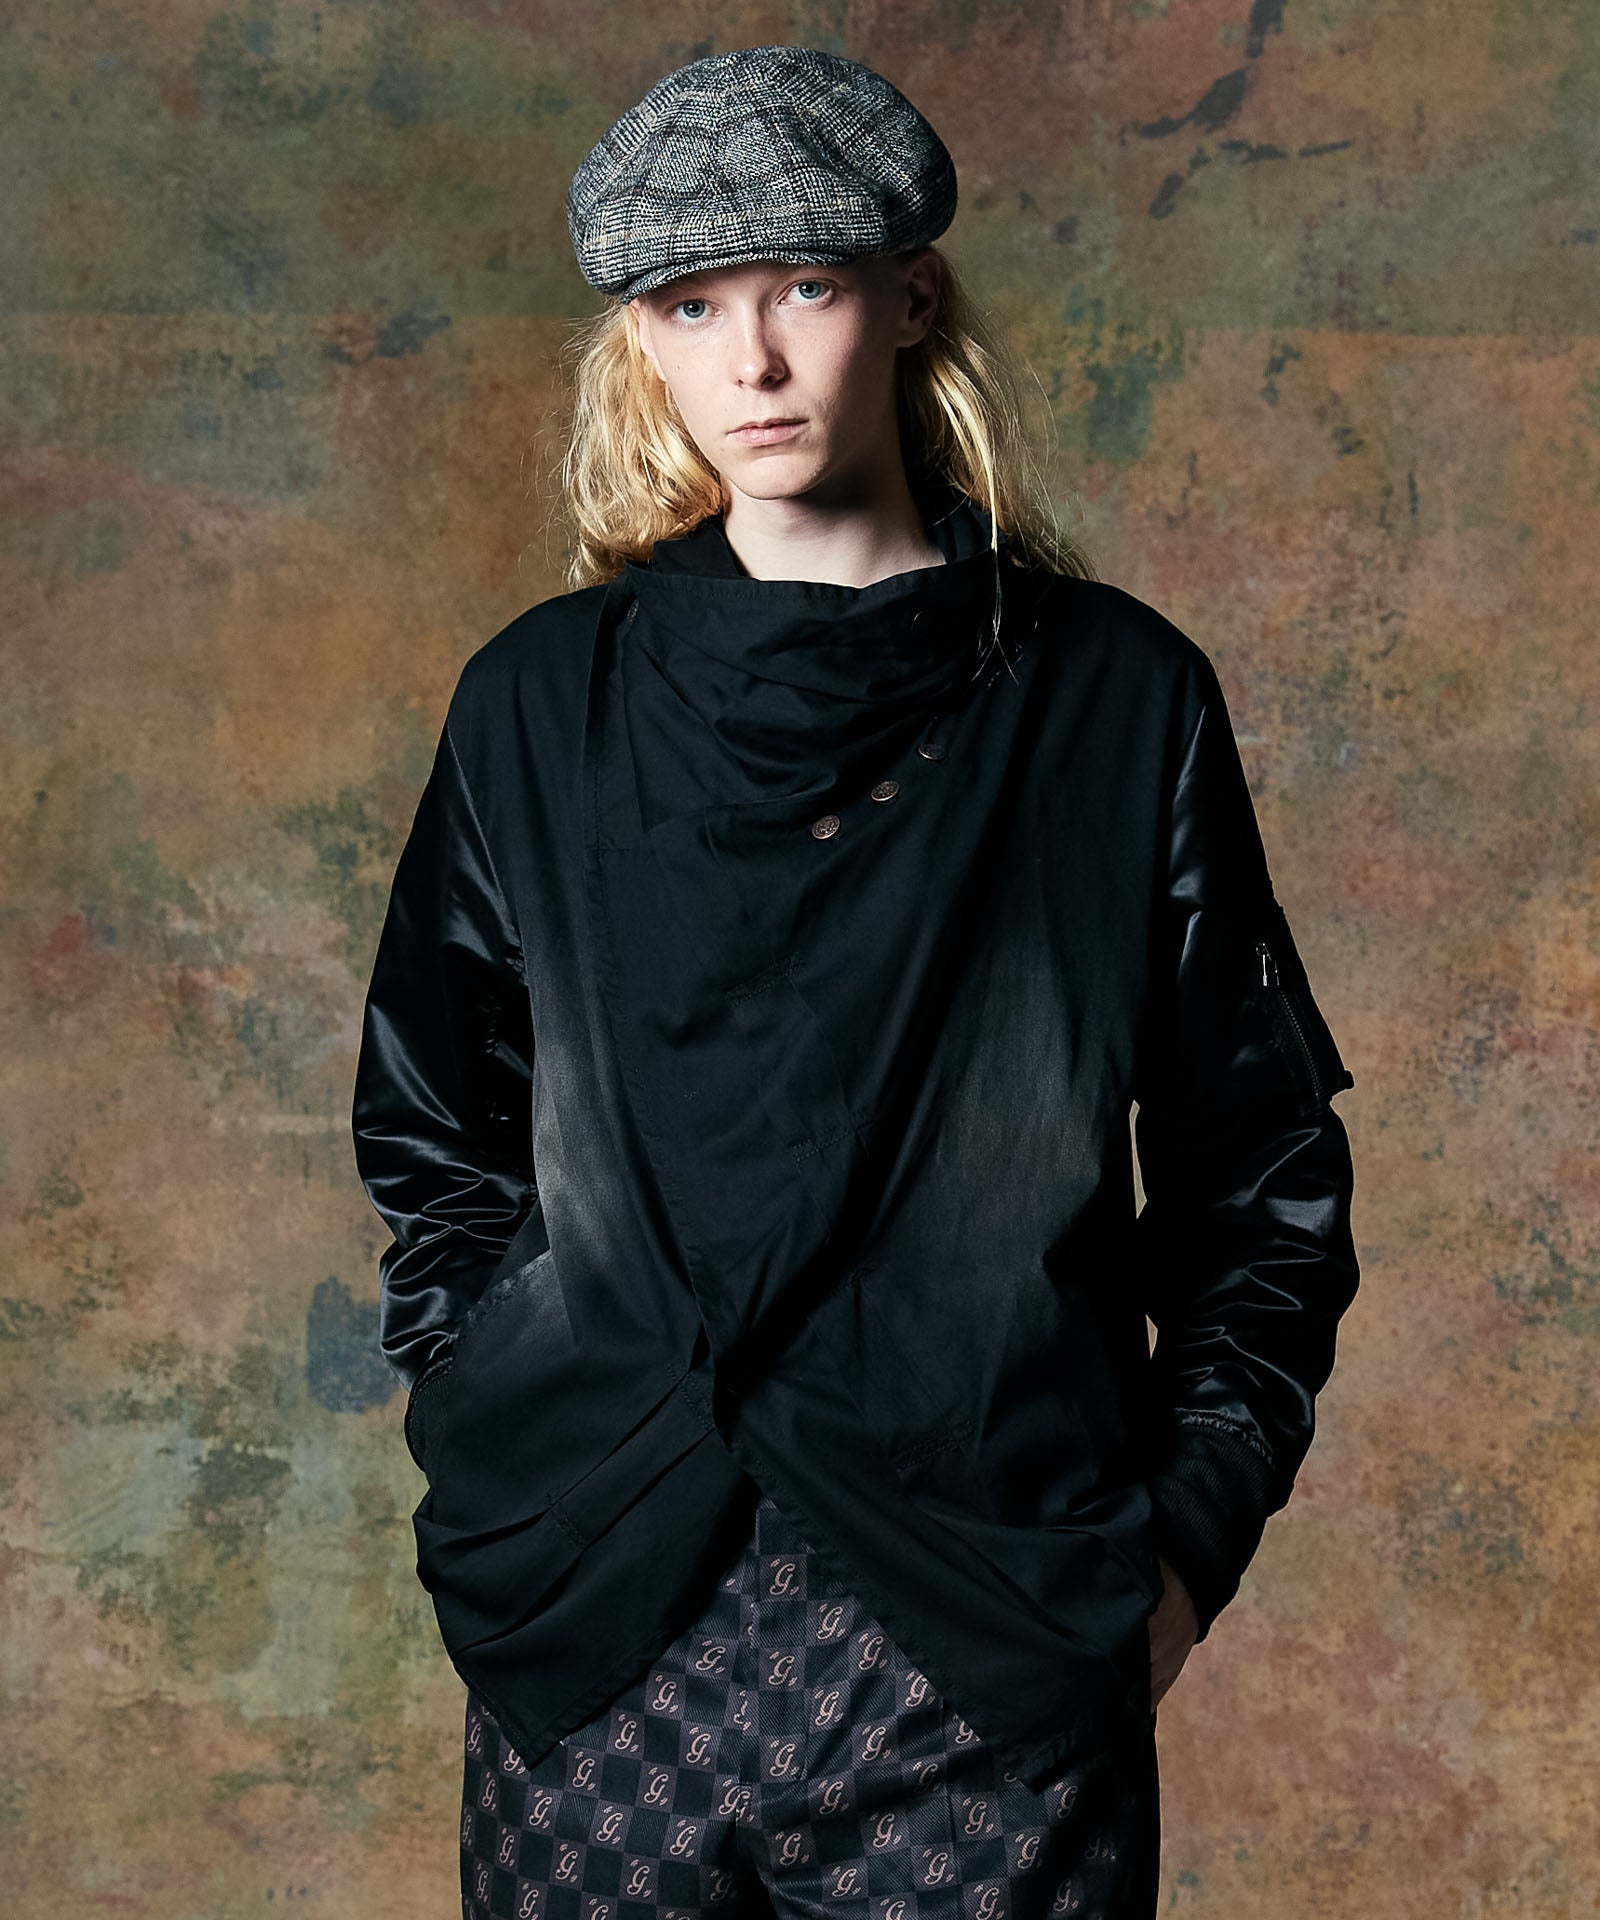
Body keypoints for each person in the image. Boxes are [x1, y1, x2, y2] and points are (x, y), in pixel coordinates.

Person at [350, 45, 1360, 1920]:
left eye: (804, 287)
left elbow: (1261, 1177)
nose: (751, 361)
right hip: (598, 1629)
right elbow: (434, 1133)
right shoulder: (535, 705)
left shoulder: (1118, 700)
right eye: (690, 304)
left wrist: (1182, 1553)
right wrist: (510, 1415)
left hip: (989, 1648)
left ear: (909, 299)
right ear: (639, 341)